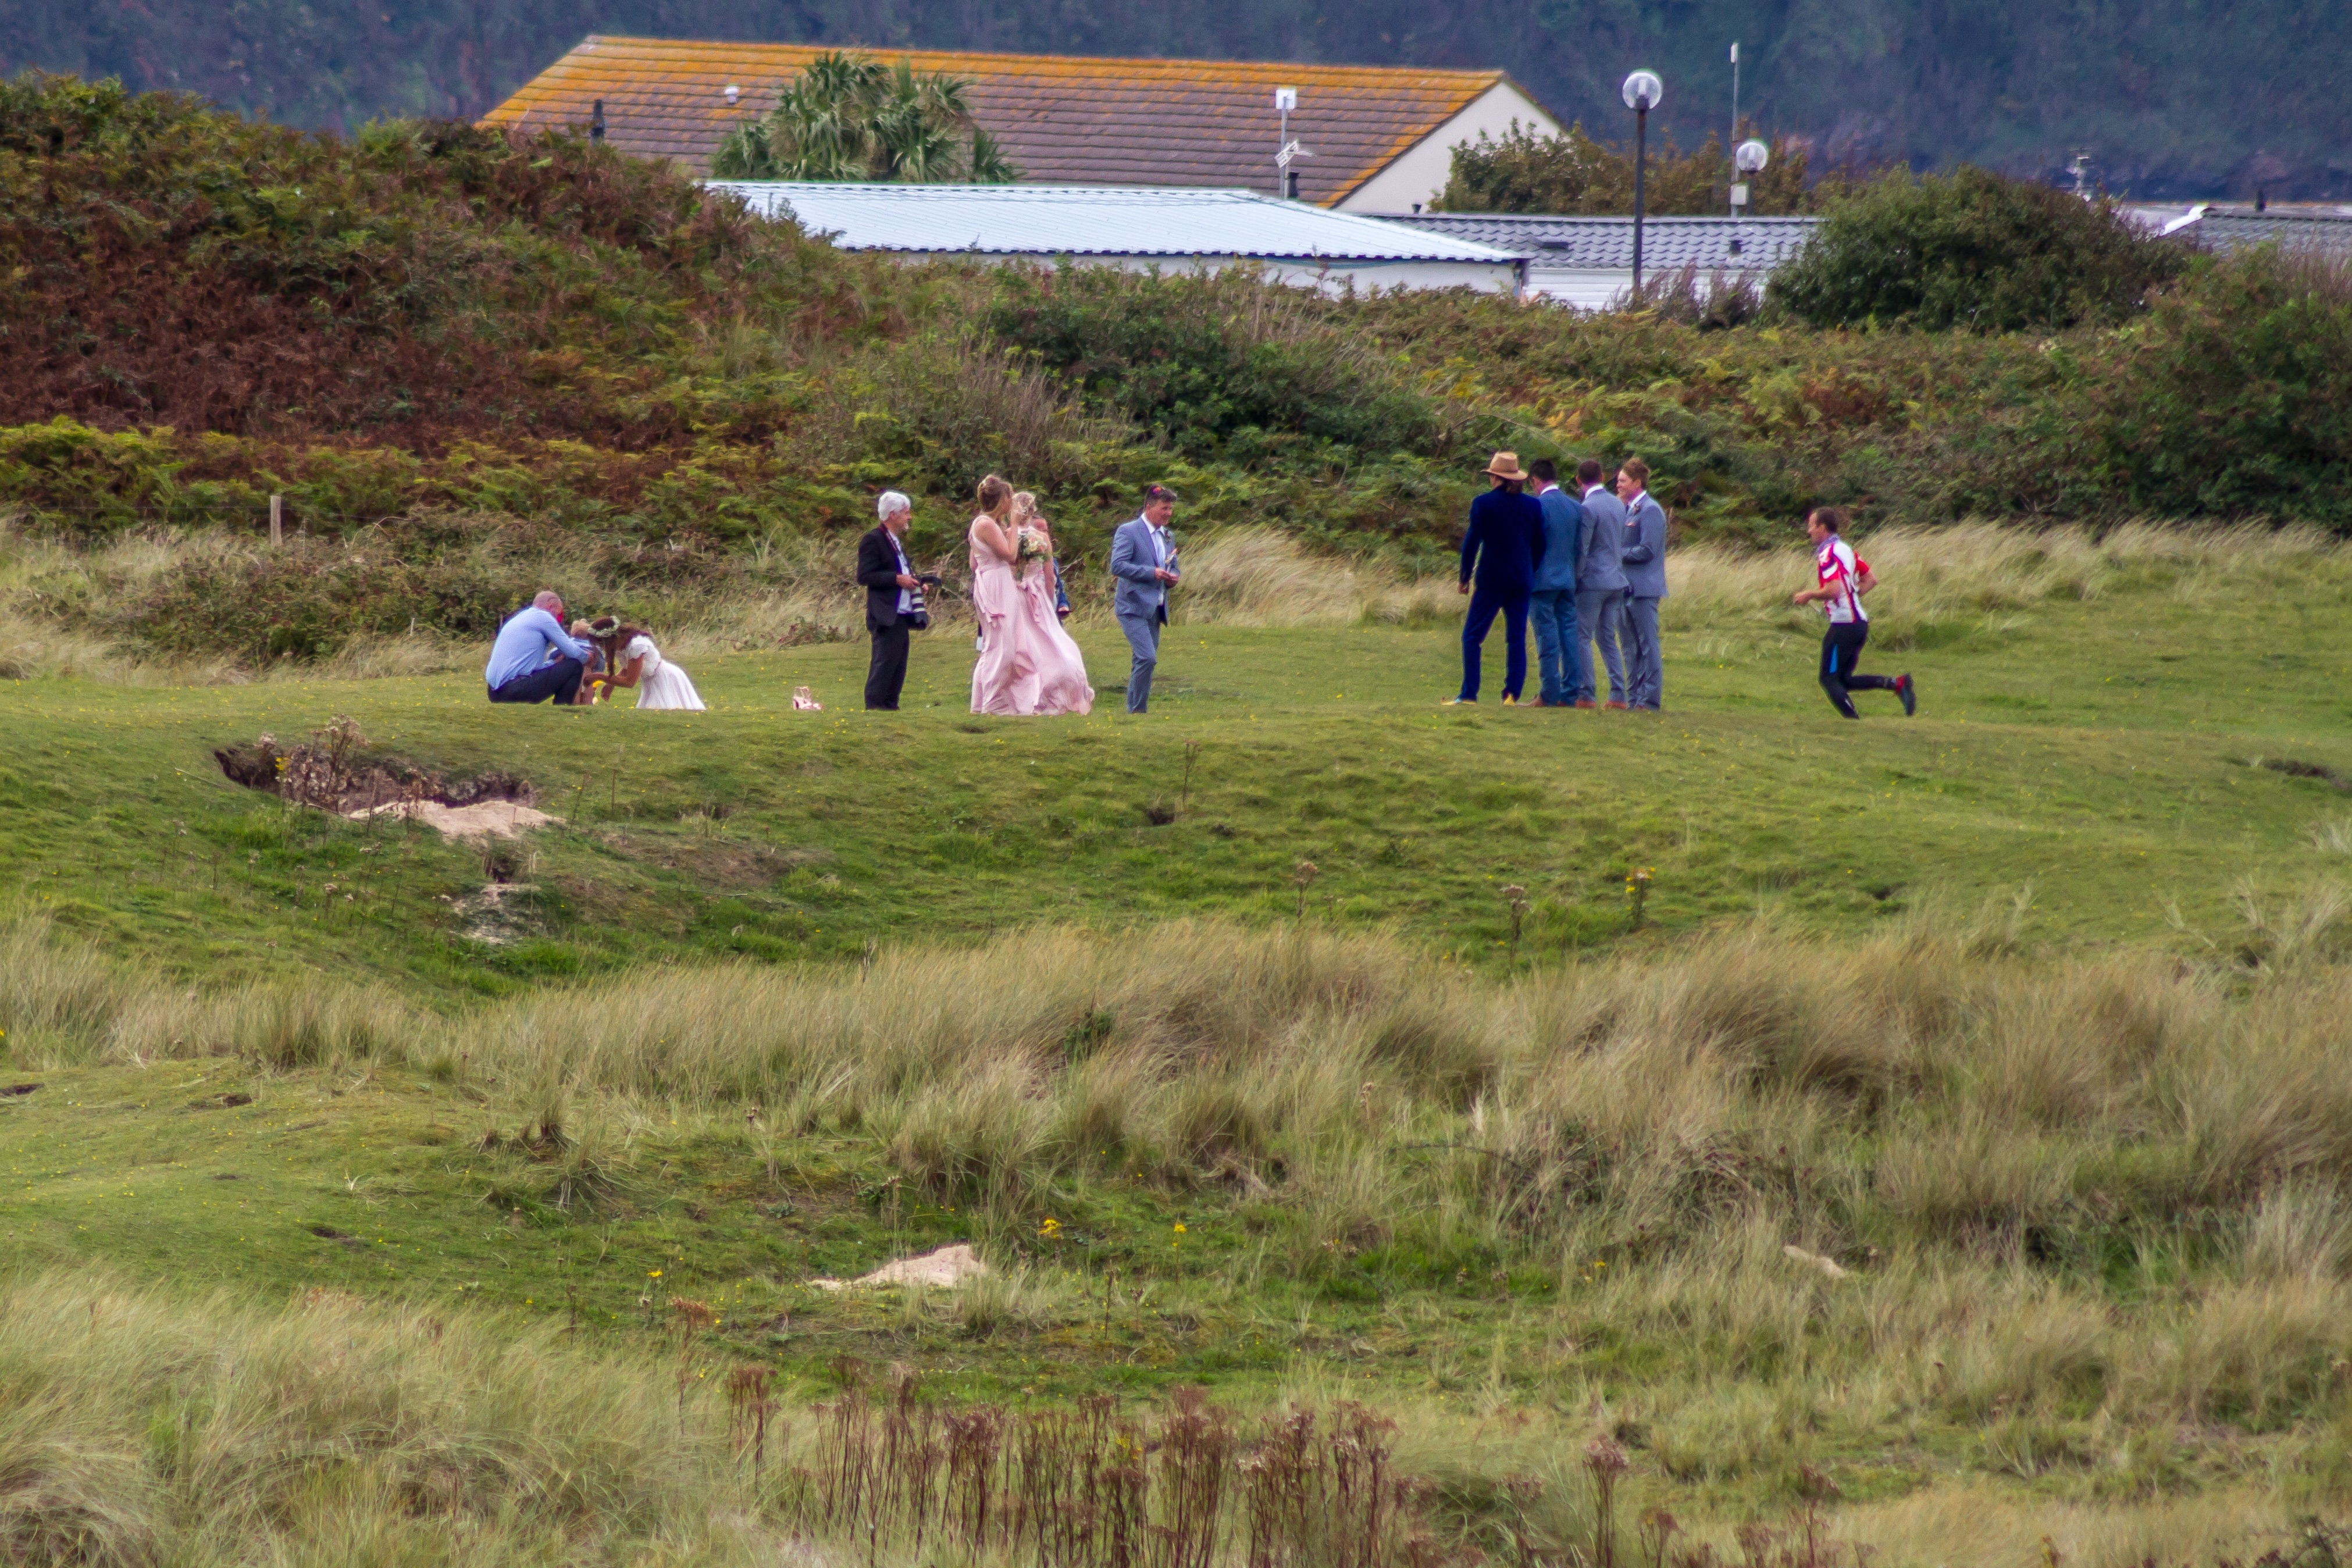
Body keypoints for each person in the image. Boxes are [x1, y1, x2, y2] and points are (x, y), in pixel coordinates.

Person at [1792, 507, 1915, 719]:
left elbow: (1834, 590)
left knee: (1829, 679)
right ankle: (1898, 684)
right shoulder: (1847, 550)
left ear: (1822, 528)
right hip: (1859, 624)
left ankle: (1853, 723)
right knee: (1843, 680)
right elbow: (1871, 580)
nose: (1808, 531)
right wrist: (1850, 598)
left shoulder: (1827, 553)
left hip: (1844, 626)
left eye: (1811, 526)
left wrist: (1809, 595)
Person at [1445, 452, 1546, 707]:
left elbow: (1471, 543)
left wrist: (1464, 577)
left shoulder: (1483, 504)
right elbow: (1540, 545)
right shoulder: (1533, 506)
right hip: (1521, 580)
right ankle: (1511, 695)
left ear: (1495, 478)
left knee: (1472, 636)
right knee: (1516, 637)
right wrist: (1529, 570)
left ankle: (1469, 693)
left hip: (1491, 578)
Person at [1004, 491, 1094, 714]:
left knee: (1019, 643)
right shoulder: (1042, 539)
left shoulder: (1007, 534)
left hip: (1014, 594)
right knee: (1048, 639)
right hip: (1036, 594)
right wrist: (1048, 600)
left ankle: (1019, 691)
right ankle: (1055, 683)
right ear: (1032, 511)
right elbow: (1050, 576)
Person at [1109, 483, 1181, 715]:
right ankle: (1137, 710)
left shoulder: (1168, 535)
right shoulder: (1129, 531)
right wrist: (1151, 573)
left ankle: (1135, 712)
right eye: (1164, 508)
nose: (1169, 513)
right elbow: (1118, 566)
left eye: (1170, 509)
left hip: (1156, 607)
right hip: (1132, 605)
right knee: (1147, 658)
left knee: (1143, 660)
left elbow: (1173, 565)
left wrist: (1173, 577)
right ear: (1149, 507)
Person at [858, 490, 928, 711]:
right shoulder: (874, 539)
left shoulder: (895, 541)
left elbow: (901, 570)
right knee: (885, 660)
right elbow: (865, 576)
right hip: (885, 611)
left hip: (901, 611)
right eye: (906, 513)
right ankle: (875, 705)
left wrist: (915, 582)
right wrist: (897, 579)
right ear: (892, 515)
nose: (909, 517)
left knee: (898, 661)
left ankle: (890, 704)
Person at [1524, 458, 1584, 708]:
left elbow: (1531, 545)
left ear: (1535, 480)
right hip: (1567, 579)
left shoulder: (1536, 506)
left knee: (1546, 636)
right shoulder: (1575, 507)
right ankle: (1570, 693)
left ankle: (1549, 693)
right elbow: (1579, 547)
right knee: (1569, 635)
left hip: (1542, 582)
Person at [1569, 459, 1628, 709]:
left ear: (1578, 480)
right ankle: (1618, 694)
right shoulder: (1618, 504)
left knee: (1581, 636)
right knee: (1607, 637)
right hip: (1617, 579)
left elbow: (1583, 549)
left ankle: (1586, 693)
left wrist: (1575, 579)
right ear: (1603, 476)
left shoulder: (1587, 508)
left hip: (1594, 581)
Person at [1616, 458, 1669, 711]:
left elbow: (1648, 549)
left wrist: (1616, 554)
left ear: (1637, 483)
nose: (1618, 485)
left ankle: (1649, 700)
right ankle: (1634, 698)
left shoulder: (1651, 510)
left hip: (1644, 589)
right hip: (1625, 588)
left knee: (1648, 644)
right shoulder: (1628, 509)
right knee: (1629, 646)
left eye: (1623, 480)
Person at [484, 590, 589, 705]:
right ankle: (561, 709)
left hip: (494, 692)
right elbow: (574, 653)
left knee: (566, 665)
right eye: (559, 614)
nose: (559, 619)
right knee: (575, 666)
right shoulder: (544, 617)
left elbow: (529, 668)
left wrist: (554, 663)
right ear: (550, 607)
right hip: (513, 689)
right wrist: (589, 657)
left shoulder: (521, 617)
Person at [585, 620, 706, 711]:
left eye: (602, 644)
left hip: (665, 680)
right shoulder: (621, 646)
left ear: (610, 638)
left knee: (666, 711)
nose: (603, 648)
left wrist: (600, 677)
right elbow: (627, 668)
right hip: (650, 682)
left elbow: (630, 682)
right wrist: (611, 684)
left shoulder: (637, 646)